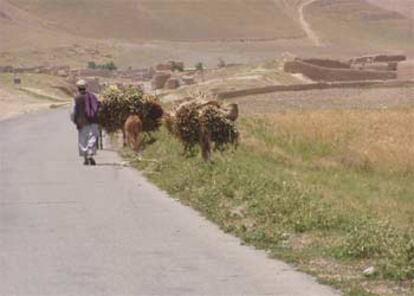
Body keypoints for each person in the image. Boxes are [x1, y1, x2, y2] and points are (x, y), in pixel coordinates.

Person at [70, 80, 100, 165]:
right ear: (86, 87)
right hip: (93, 120)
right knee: (93, 137)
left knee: (83, 139)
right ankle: (90, 153)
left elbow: (72, 112)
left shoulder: (76, 99)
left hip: (82, 122)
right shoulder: (93, 96)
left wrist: (75, 121)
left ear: (78, 88)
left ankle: (86, 157)